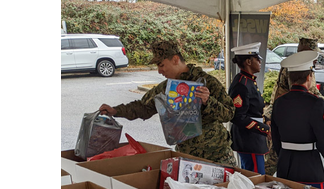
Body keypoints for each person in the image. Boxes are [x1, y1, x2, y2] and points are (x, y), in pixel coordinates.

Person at [99, 40, 237, 166]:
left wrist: (208, 101)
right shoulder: (166, 88)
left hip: (218, 156)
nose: (159, 71)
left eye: (161, 65)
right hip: (187, 157)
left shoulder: (207, 82)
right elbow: (143, 107)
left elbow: (229, 113)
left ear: (175, 59)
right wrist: (116, 111)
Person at [263, 38, 324, 176]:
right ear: (305, 52)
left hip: (290, 111)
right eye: (313, 53)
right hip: (287, 114)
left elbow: (313, 92)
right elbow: (299, 95)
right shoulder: (294, 69)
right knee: (272, 163)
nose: (316, 57)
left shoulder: (305, 68)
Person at [228, 42, 270, 175]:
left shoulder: (249, 81)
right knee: (256, 178)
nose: (259, 62)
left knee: (256, 176)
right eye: (257, 59)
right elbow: (238, 116)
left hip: (253, 137)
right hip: (248, 138)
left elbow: (254, 109)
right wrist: (264, 129)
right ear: (248, 62)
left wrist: (266, 120)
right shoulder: (242, 84)